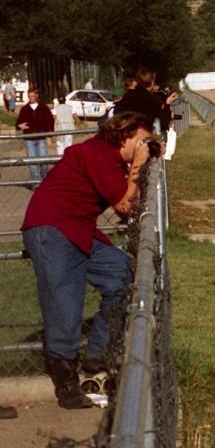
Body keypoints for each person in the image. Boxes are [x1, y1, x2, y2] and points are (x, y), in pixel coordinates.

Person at [22, 112, 154, 409]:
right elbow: (123, 205)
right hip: (53, 229)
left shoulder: (109, 158)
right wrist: (139, 165)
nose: (146, 146)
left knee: (121, 272)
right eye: (143, 140)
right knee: (64, 304)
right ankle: (66, 383)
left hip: (78, 229)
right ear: (126, 136)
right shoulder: (99, 154)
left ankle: (98, 352)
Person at [16, 88, 55, 181]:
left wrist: (50, 135)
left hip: (41, 138)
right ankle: (36, 182)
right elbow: (18, 122)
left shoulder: (43, 108)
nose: (31, 98)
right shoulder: (24, 109)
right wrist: (19, 125)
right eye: (29, 96)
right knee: (32, 162)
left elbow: (50, 121)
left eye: (32, 96)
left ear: (37, 96)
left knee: (44, 161)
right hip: (29, 139)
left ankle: (44, 180)